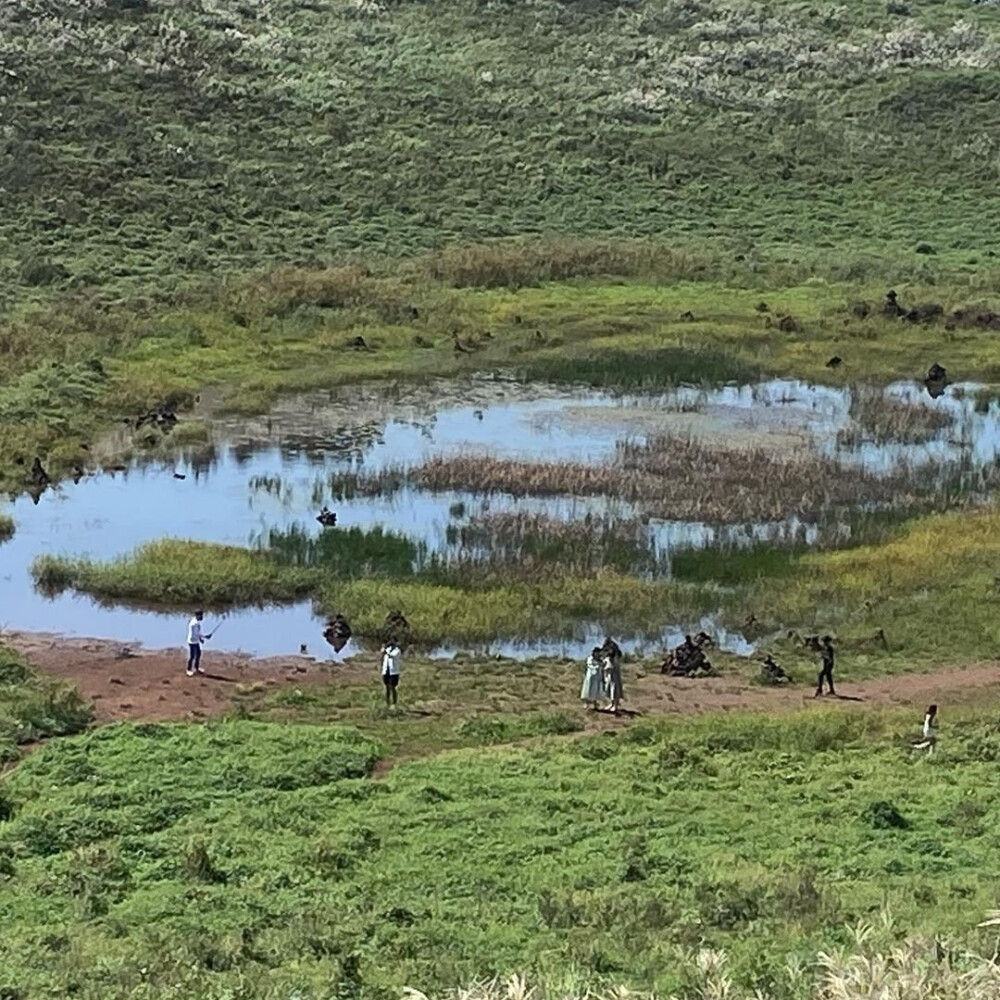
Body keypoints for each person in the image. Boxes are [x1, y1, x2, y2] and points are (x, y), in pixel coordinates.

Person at [186, 610, 208, 677]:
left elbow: (197, 633)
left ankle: (196, 668)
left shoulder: (195, 621)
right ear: (198, 615)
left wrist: (201, 639)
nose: (202, 617)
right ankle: (188, 670)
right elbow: (195, 634)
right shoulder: (194, 623)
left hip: (195, 641)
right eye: (201, 616)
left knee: (198, 654)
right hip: (192, 641)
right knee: (192, 656)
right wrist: (204, 637)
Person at [381, 639, 402, 708]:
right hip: (386, 671)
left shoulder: (397, 651)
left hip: (394, 672)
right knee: (387, 687)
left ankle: (394, 703)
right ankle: (387, 703)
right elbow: (383, 655)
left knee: (393, 687)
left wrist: (385, 651)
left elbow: (392, 656)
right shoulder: (388, 649)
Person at [603, 650, 624, 715]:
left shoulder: (616, 661)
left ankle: (615, 705)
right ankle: (611, 704)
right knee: (610, 691)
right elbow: (604, 667)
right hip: (609, 678)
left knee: (615, 691)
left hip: (615, 678)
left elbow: (616, 669)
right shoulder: (606, 660)